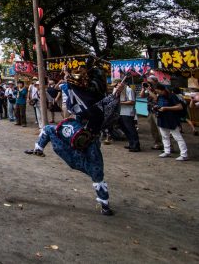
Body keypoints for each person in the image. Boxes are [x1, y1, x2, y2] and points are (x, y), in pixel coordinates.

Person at [25, 59, 117, 215]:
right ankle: (105, 205)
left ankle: (38, 149)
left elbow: (61, 89)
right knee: (97, 172)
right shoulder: (102, 99)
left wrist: (66, 75)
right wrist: (117, 93)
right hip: (92, 138)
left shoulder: (79, 94)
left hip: (79, 134)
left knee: (48, 129)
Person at [153, 85, 188, 160]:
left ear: (162, 90)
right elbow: (159, 104)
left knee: (177, 137)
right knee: (164, 136)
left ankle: (184, 154)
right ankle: (167, 151)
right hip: (162, 118)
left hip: (171, 119)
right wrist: (157, 107)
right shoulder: (160, 96)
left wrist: (166, 108)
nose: (157, 92)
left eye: (157, 91)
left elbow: (179, 107)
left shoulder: (172, 96)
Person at [113, 79, 140, 152]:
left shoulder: (129, 90)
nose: (116, 87)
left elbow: (132, 102)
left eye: (116, 85)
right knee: (124, 128)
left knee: (130, 129)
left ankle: (136, 145)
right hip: (120, 112)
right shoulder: (116, 90)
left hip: (128, 112)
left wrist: (120, 103)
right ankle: (131, 143)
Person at [140, 75, 164, 150]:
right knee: (153, 129)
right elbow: (142, 96)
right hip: (150, 110)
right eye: (148, 81)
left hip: (158, 111)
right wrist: (143, 89)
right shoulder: (149, 88)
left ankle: (168, 145)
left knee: (161, 129)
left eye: (150, 81)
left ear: (155, 81)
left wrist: (149, 90)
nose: (148, 83)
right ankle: (157, 143)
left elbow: (156, 98)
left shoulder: (159, 88)